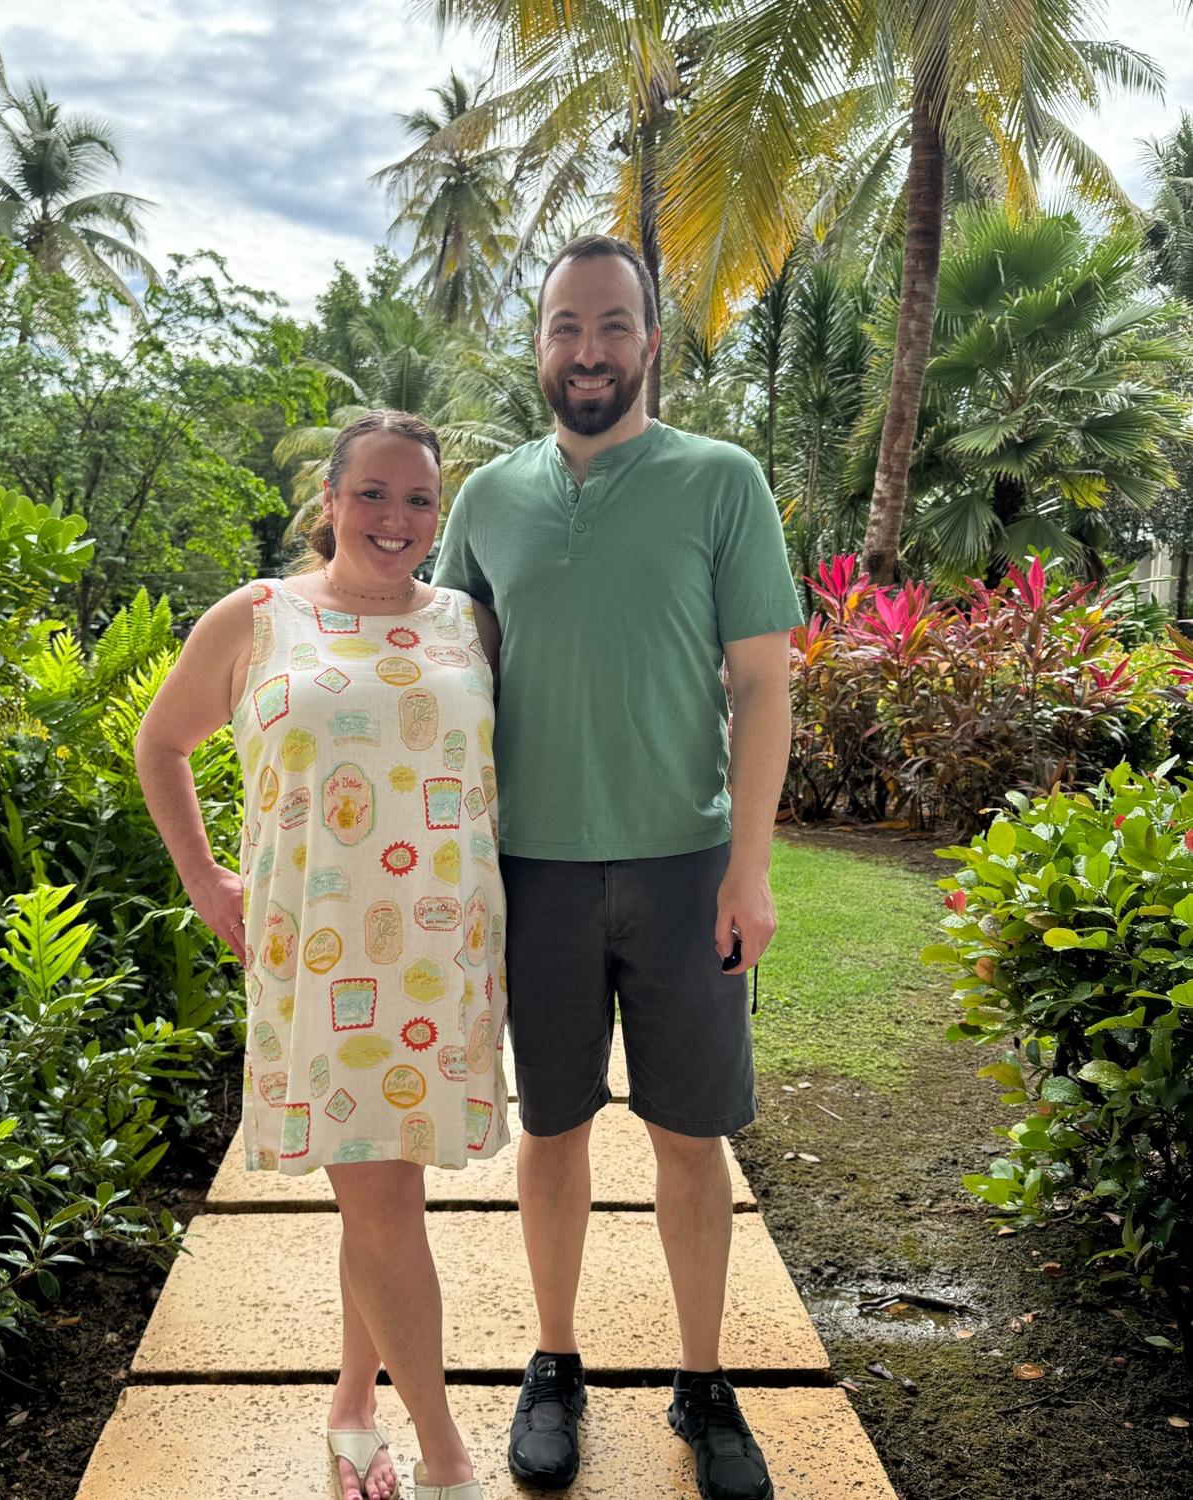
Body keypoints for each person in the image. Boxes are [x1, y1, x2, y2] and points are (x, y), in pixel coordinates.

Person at [432, 234, 803, 1500]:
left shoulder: (721, 481)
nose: (586, 351)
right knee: (551, 1129)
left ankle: (702, 1381)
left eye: (610, 325)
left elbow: (763, 687)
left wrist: (750, 870)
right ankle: (554, 1364)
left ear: (650, 340)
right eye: (564, 326)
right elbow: (449, 678)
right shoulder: (487, 499)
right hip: (531, 871)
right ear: (539, 343)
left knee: (691, 1138)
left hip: (685, 866)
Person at [135, 410, 507, 1500]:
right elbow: (162, 742)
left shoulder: (470, 625)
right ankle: (446, 1460)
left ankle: (352, 1409)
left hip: (444, 949)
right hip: (323, 956)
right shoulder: (260, 617)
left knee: (384, 1196)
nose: (396, 518)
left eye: (420, 499)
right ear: (331, 502)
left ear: (438, 513)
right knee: (383, 1202)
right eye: (373, 493)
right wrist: (205, 877)